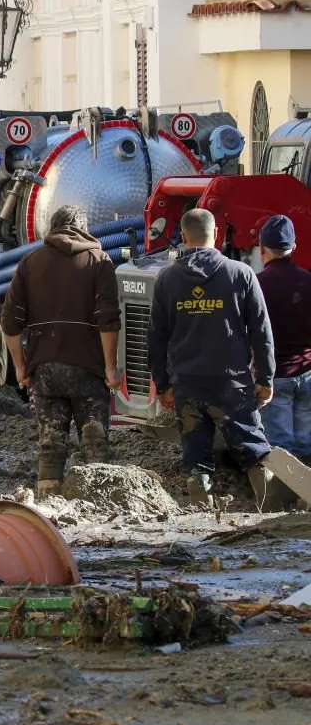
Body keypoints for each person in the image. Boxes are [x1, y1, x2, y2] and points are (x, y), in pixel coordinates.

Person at [149, 208, 276, 504]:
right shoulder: (240, 274)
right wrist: (265, 377)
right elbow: (261, 331)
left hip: (188, 383)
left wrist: (163, 384)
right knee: (255, 451)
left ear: (183, 236)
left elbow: (155, 337)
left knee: (196, 456)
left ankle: (199, 517)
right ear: (216, 234)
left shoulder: (166, 280)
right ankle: (273, 516)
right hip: (231, 383)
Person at [0, 205, 121, 497]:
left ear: (52, 228)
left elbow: (10, 321)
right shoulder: (99, 261)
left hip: (45, 371)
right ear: (84, 227)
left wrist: (20, 365)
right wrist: (109, 368)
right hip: (88, 371)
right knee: (95, 441)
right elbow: (108, 320)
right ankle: (98, 503)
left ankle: (49, 503)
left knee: (50, 443)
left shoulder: (31, 263)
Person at [256, 215, 311, 457]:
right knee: (307, 445)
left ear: (261, 248)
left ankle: (284, 493)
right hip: (307, 373)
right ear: (294, 247)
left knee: (281, 450)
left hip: (274, 378)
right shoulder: (307, 282)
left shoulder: (257, 285)